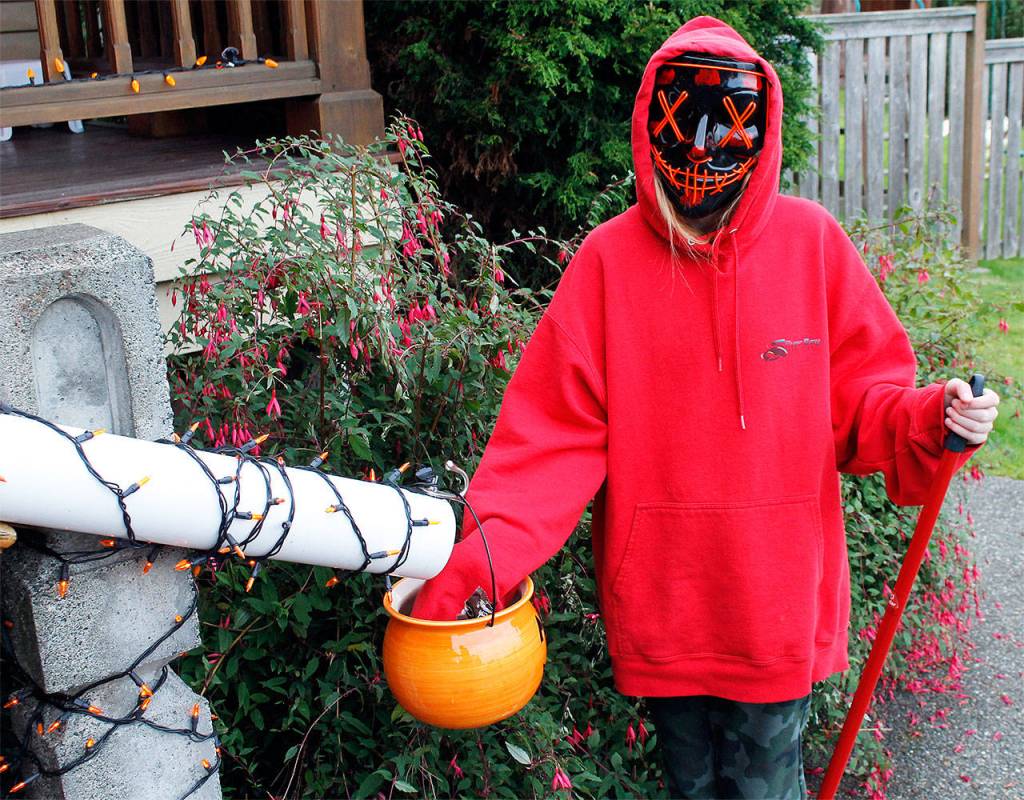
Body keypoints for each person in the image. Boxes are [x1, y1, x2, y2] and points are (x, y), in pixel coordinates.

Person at [411, 15, 1000, 800]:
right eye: (682, 126)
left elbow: (866, 405)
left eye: (727, 129)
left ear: (761, 133)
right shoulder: (607, 266)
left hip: (775, 611)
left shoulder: (812, 245)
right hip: (667, 612)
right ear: (650, 125)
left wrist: (933, 418)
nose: (704, 148)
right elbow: (545, 446)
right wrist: (465, 569)